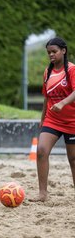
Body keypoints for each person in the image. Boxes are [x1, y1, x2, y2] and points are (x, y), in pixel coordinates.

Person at [31, 37, 75, 202]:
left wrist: (63, 103)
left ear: (63, 51)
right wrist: (42, 118)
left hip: (72, 121)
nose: (51, 55)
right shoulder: (47, 72)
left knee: (73, 160)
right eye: (48, 52)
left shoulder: (71, 70)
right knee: (41, 151)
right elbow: (46, 98)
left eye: (54, 51)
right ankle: (42, 194)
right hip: (52, 119)